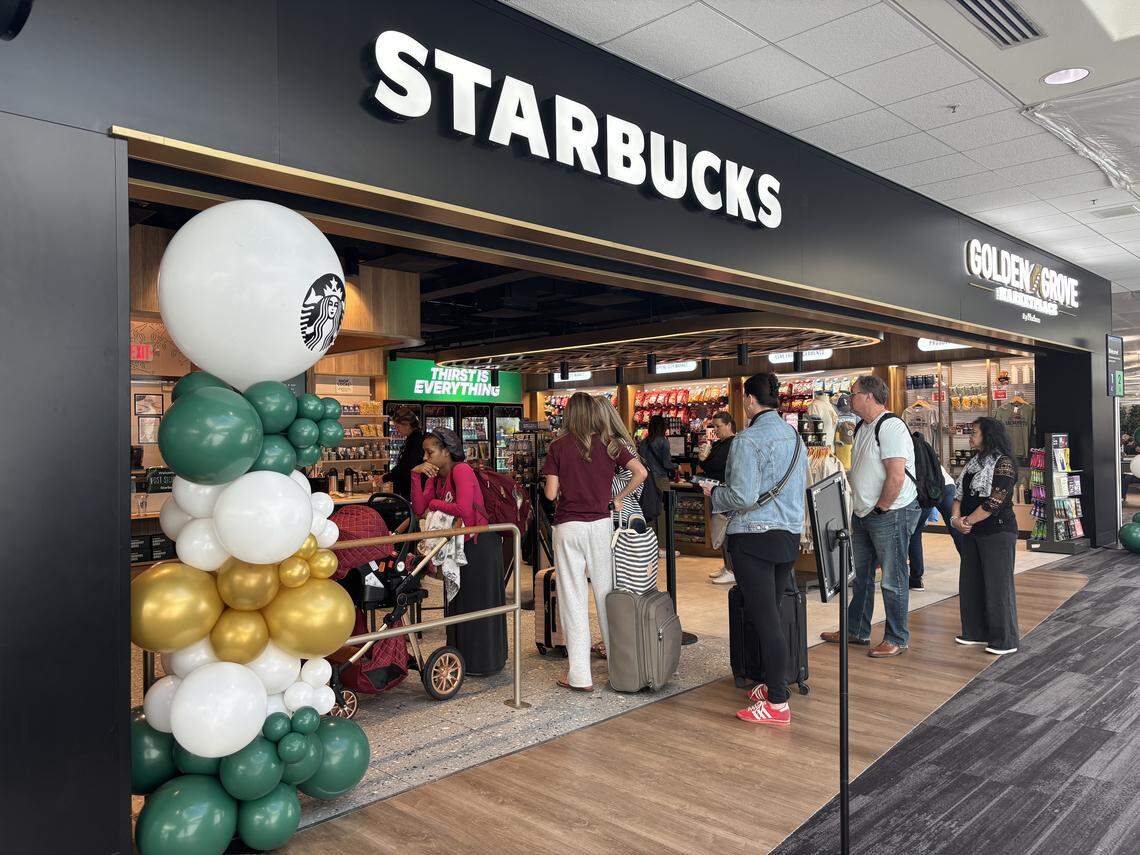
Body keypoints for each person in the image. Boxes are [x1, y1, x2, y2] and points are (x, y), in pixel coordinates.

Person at [703, 373, 807, 727]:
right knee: (772, 613)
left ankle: (778, 701)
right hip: (787, 537)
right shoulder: (795, 437)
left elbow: (742, 496)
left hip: (753, 537)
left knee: (766, 618)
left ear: (749, 401)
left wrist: (714, 494)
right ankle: (771, 683)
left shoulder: (747, 441)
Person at [543, 393, 647, 691]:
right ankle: (620, 669)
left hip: (568, 527)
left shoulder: (557, 447)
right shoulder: (610, 445)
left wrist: (563, 480)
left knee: (573, 598)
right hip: (601, 525)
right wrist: (618, 497)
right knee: (605, 594)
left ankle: (580, 676)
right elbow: (641, 472)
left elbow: (550, 495)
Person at [821, 375, 921, 658]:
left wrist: (881, 507)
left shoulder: (890, 426)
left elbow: (896, 475)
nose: (848, 399)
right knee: (860, 577)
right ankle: (856, 629)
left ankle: (897, 637)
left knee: (893, 578)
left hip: (888, 513)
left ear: (868, 396)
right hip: (865, 513)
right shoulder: (865, 426)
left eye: (852, 394)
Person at [410, 428, 506, 676]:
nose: (425, 457)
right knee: (459, 605)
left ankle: (483, 661)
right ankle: (463, 659)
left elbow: (463, 509)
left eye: (430, 452)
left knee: (478, 604)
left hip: (479, 546)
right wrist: (415, 476)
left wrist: (434, 503)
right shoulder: (437, 476)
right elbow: (420, 508)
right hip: (459, 547)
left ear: (446, 450)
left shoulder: (461, 470)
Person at [950, 418, 1020, 656]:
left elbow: (995, 501)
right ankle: (975, 632)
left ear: (988, 436)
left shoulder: (1004, 463)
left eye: (975, 433)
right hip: (972, 532)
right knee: (971, 583)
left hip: (997, 532)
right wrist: (955, 519)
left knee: (998, 586)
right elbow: (958, 493)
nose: (970, 436)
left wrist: (966, 521)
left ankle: (1004, 639)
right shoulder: (973, 463)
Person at [697, 412, 737, 585]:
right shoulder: (720, 444)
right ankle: (727, 565)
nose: (716, 430)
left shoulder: (733, 444)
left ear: (729, 425)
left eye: (719, 426)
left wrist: (704, 459)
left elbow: (714, 465)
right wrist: (702, 459)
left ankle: (732, 569)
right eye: (714, 426)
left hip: (725, 493)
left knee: (726, 530)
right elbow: (707, 465)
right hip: (715, 491)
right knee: (719, 530)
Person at [907, 461, 959, 590]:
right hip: (946, 485)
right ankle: (974, 577)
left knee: (915, 532)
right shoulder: (923, 448)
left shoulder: (905, 447)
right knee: (957, 530)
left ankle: (916, 580)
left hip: (927, 490)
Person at [381, 406, 424, 501]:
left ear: (407, 424)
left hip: (411, 491)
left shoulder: (415, 441)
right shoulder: (412, 438)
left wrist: (385, 477)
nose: (396, 430)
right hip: (409, 489)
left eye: (397, 426)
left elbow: (406, 466)